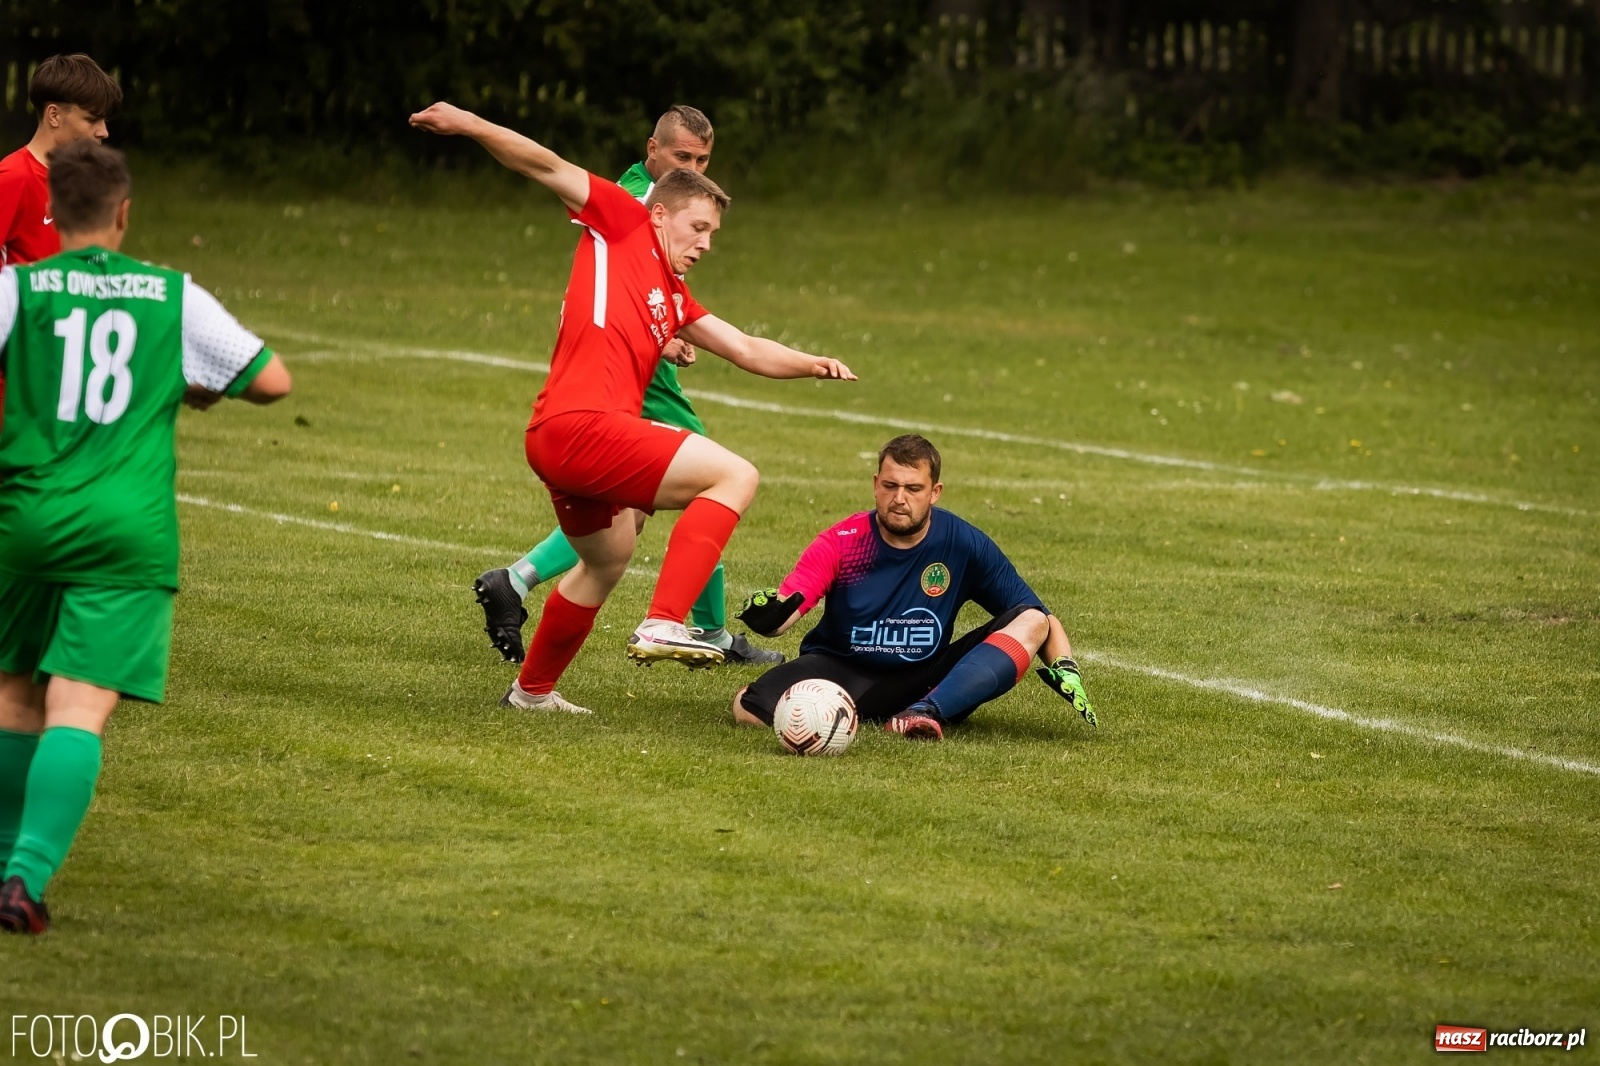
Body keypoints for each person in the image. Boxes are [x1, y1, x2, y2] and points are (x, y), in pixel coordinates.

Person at [409, 102, 855, 715]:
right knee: (735, 475)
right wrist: (469, 123)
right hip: (580, 425)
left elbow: (746, 348)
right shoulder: (621, 220)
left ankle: (531, 692)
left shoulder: (673, 295)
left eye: (713, 236)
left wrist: (812, 362)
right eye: (698, 229)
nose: (705, 244)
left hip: (560, 436)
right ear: (662, 212)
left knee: (608, 557)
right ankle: (665, 622)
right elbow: (544, 164)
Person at [0, 142, 293, 934]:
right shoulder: (172, 295)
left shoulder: (15, 287)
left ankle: (1, 864)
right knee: (80, 705)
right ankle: (22, 878)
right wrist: (193, 384)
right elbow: (271, 380)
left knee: (16, 697)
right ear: (125, 213)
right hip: (127, 529)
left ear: (52, 213)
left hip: (27, 518)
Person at [472, 105, 780, 668]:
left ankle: (519, 603)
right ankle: (695, 626)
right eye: (682, 157)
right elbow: (557, 183)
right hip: (624, 384)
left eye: (702, 160)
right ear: (653, 152)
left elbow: (734, 341)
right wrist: (470, 123)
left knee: (623, 529)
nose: (693, 167)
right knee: (715, 482)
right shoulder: (636, 204)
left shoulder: (674, 212)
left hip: (606, 389)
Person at [731, 435, 1098, 741]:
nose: (899, 498)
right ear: (876, 485)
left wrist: (1066, 666)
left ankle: (923, 713)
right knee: (747, 707)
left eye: (913, 488)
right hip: (841, 670)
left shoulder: (963, 543)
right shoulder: (842, 541)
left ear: (934, 492)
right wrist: (769, 617)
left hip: (925, 678)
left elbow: (1040, 617)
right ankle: (865, 713)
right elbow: (786, 613)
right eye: (890, 486)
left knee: (1031, 620)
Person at [0, 54, 120, 425]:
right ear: (54, 115)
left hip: (67, 379)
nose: (104, 131)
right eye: (92, 119)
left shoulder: (84, 187)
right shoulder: (12, 179)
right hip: (16, 386)